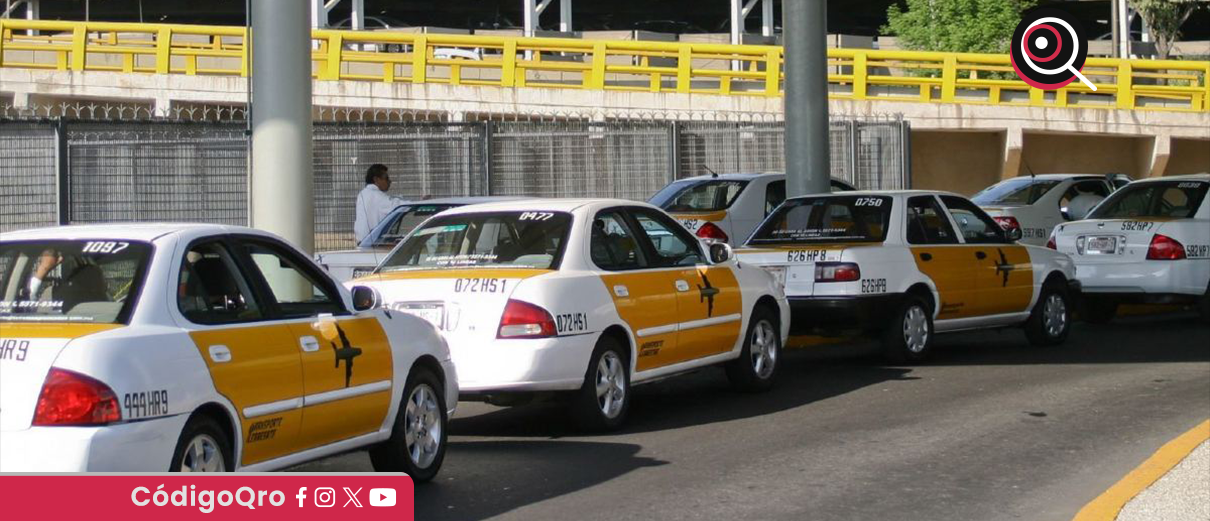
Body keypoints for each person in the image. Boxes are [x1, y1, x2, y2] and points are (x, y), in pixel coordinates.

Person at [354, 164, 404, 244]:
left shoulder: (363, 194)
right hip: (374, 245)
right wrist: (420, 202)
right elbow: (399, 205)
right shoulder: (377, 196)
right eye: (386, 178)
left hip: (362, 243)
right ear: (376, 179)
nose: (389, 181)